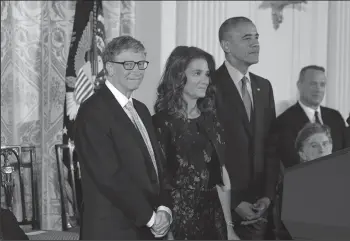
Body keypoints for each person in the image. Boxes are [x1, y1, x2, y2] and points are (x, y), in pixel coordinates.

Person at [74, 36, 172, 240]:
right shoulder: (93, 111)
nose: (137, 70)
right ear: (109, 68)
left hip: (148, 227)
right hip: (113, 230)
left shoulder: (142, 110)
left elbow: (157, 166)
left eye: (141, 64)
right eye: (128, 64)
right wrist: (150, 218)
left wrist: (164, 208)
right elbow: (109, 176)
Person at [153, 46, 240, 240]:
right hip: (178, 219)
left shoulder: (212, 120)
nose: (205, 80)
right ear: (178, 77)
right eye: (197, 73)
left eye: (207, 74)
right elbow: (158, 181)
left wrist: (229, 228)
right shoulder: (161, 122)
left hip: (213, 217)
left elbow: (221, 179)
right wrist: (167, 232)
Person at [212, 17, 280, 240]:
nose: (256, 44)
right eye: (247, 38)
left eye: (257, 37)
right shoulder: (210, 85)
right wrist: (234, 200)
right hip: (223, 209)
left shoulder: (264, 86)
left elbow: (271, 145)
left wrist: (268, 196)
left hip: (261, 210)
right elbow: (209, 152)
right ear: (226, 46)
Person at [272, 65, 347, 169]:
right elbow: (290, 161)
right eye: (313, 84)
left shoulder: (335, 117)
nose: (318, 89)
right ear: (299, 85)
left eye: (322, 84)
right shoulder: (284, 121)